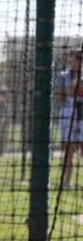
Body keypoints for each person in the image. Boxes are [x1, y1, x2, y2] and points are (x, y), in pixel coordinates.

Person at [56, 49, 83, 189]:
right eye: (75, 57)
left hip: (82, 113)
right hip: (68, 113)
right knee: (69, 149)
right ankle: (66, 182)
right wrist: (71, 87)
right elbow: (58, 98)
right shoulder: (63, 76)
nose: (77, 60)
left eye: (79, 58)